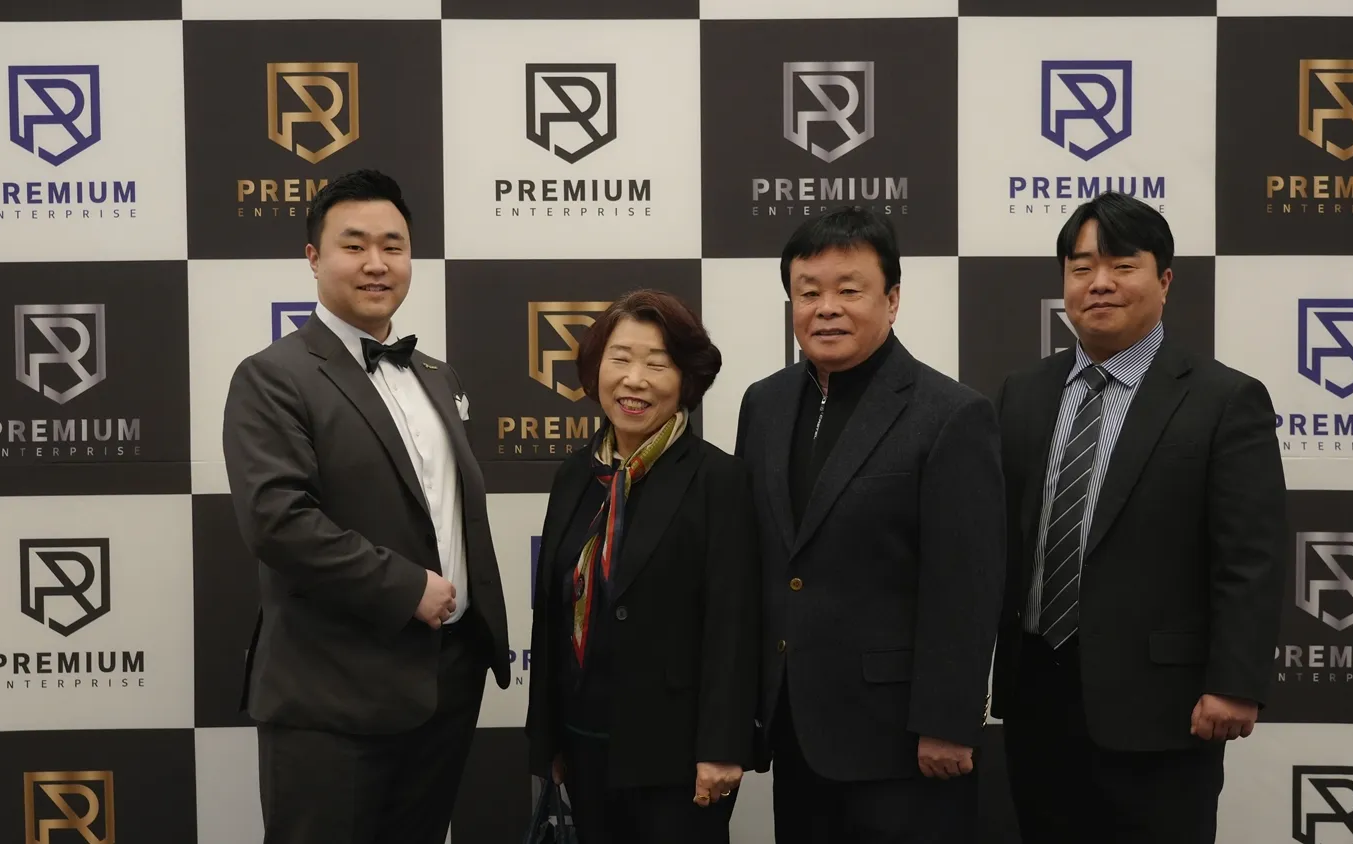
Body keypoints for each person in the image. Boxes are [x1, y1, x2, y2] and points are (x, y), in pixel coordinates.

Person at [221, 169, 511, 843]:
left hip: (444, 685)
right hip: (332, 695)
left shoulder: (437, 375)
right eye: (354, 246)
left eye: (393, 246)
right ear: (313, 258)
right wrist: (406, 587)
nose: (376, 263)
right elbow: (278, 522)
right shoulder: (273, 376)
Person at [989, 191, 1289, 844]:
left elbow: (1252, 556)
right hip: (1036, 695)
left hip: (1164, 708)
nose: (1099, 282)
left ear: (1165, 280)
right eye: (1081, 267)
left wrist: (1235, 683)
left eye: (1122, 265)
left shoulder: (1223, 399)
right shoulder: (1022, 393)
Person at [733, 207, 1006, 843]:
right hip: (795, 726)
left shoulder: (951, 414)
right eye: (808, 293)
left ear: (893, 299)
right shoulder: (764, 403)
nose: (826, 308)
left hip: (903, 739)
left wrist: (948, 721)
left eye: (849, 290)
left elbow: (967, 585)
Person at [525, 289, 760, 844]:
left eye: (657, 364)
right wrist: (549, 738)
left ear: (685, 380)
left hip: (676, 755)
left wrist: (722, 747)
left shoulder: (718, 480)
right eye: (620, 359)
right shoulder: (574, 475)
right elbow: (552, 613)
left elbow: (734, 623)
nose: (635, 380)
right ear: (595, 370)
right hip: (584, 744)